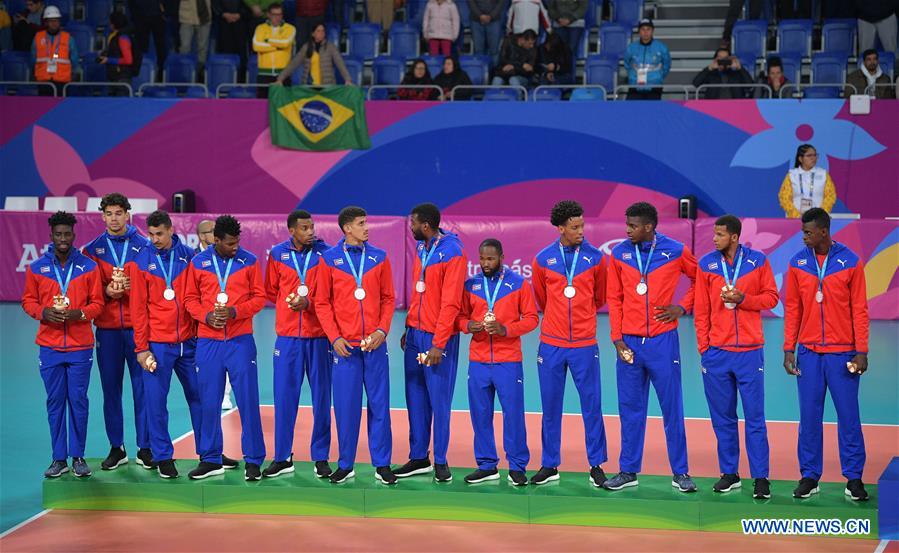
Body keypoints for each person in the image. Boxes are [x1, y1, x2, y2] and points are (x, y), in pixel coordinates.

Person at [603, 202, 698, 493]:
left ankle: (680, 472)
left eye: (632, 226)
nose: (627, 230)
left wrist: (682, 307)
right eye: (627, 225)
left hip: (662, 342)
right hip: (629, 343)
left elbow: (701, 280)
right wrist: (617, 339)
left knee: (672, 408)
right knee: (630, 409)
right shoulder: (619, 253)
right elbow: (614, 298)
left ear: (648, 227)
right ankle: (628, 470)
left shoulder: (676, 250)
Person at [783, 208, 869, 501]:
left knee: (849, 417)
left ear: (823, 232)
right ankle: (809, 476)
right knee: (809, 418)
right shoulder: (797, 263)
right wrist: (788, 349)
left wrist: (862, 351)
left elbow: (859, 309)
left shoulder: (850, 262)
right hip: (808, 354)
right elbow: (793, 310)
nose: (803, 236)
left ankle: (854, 478)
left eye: (808, 232)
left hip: (842, 354)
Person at [130, 210, 224, 479]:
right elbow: (138, 309)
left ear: (171, 230)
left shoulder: (190, 258)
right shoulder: (140, 262)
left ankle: (209, 455)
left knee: (202, 398)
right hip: (157, 345)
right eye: (151, 234)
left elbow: (198, 297)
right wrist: (141, 348)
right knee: (156, 402)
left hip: (190, 343)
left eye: (160, 233)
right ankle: (162, 457)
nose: (155, 239)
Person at [694, 215, 778, 500]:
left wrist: (745, 299)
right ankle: (729, 473)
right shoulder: (706, 264)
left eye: (719, 234)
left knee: (755, 418)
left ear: (733, 236)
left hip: (749, 352)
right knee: (723, 419)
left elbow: (771, 298)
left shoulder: (757, 261)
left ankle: (761, 477)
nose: (714, 238)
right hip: (717, 354)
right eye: (714, 234)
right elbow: (701, 309)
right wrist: (704, 349)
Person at [314, 206, 397, 485]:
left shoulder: (379, 257)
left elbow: (388, 299)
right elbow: (322, 302)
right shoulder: (329, 260)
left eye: (366, 222)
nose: (367, 227)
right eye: (361, 223)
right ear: (347, 228)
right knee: (346, 408)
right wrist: (334, 337)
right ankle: (346, 463)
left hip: (374, 347)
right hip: (345, 349)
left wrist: (382, 330)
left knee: (379, 406)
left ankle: (382, 464)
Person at [530, 201, 608, 486]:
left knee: (592, 405)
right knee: (550, 407)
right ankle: (549, 465)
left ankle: (596, 464)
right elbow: (541, 299)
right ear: (560, 228)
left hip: (585, 344)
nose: (581, 232)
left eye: (582, 226)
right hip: (551, 344)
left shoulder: (596, 259)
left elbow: (600, 298)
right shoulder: (543, 259)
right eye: (575, 227)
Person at [183, 215, 267, 481]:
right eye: (230, 243)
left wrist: (234, 311)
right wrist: (205, 316)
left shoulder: (249, 261)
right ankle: (210, 458)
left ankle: (253, 459)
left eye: (237, 242)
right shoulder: (198, 263)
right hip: (208, 341)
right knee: (208, 401)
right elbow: (189, 299)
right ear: (215, 240)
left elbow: (259, 298)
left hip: (240, 340)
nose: (235, 247)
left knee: (247, 401)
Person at [22, 211, 104, 478]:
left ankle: (78, 456)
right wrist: (44, 312)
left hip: (80, 346)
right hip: (50, 346)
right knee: (55, 401)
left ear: (74, 235)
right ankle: (59, 458)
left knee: (78, 400)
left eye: (67, 234)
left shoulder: (89, 267)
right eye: (58, 234)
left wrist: (78, 314)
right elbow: (28, 301)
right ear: (51, 236)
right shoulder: (37, 268)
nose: (63, 239)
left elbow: (98, 304)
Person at [82, 193, 153, 472]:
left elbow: (151, 284)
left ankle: (144, 448)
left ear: (128, 215)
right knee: (111, 391)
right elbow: (88, 290)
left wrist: (132, 290)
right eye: (109, 214)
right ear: (102, 216)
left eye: (118, 213)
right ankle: (117, 447)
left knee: (142, 391)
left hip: (138, 331)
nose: (113, 218)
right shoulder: (93, 249)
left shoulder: (144, 246)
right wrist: (106, 292)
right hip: (108, 331)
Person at [458, 239, 537, 486]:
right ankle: (486, 465)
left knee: (513, 415)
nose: (485, 263)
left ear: (502, 257)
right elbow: (459, 317)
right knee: (480, 415)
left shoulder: (518, 284)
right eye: (481, 258)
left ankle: (516, 466)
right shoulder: (470, 285)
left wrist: (505, 329)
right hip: (478, 360)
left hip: (508, 360)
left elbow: (532, 318)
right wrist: (467, 325)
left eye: (490, 259)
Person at [395, 203, 465, 483]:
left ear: (424, 225)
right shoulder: (423, 247)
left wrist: (439, 342)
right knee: (415, 397)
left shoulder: (453, 251)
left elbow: (450, 302)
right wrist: (409, 326)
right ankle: (419, 457)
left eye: (412, 222)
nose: (409, 227)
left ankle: (441, 460)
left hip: (438, 337)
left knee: (439, 399)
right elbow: (419, 293)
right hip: (416, 333)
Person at [262, 210, 334, 479]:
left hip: (319, 337)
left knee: (321, 400)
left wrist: (310, 304)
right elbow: (271, 290)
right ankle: (282, 457)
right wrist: (289, 303)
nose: (310, 232)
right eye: (304, 228)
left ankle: (321, 457)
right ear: (292, 230)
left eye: (312, 227)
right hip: (288, 338)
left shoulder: (326, 254)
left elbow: (333, 294)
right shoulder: (278, 255)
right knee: (284, 399)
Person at [195, 219, 234, 410]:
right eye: (211, 231)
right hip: (198, 320)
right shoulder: (192, 258)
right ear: (202, 236)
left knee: (224, 358)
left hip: (222, 320)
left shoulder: (227, 256)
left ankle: (225, 395)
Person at [276, 22, 352, 86]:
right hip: (309, 86)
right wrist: (280, 78)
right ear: (313, 34)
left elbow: (340, 63)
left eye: (323, 31)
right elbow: (294, 63)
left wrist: (347, 79)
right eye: (318, 31)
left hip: (327, 87)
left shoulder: (331, 47)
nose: (321, 33)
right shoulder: (306, 47)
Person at [778, 144, 837, 219]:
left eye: (815, 155)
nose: (813, 158)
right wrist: (796, 215)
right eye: (809, 155)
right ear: (800, 159)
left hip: (818, 221)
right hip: (795, 220)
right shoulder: (792, 175)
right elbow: (784, 197)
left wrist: (820, 214)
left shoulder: (823, 174)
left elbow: (830, 196)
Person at [31, 6, 79, 95]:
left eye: (56, 20)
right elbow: (33, 59)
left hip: (62, 82)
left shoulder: (68, 38)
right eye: (51, 21)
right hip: (43, 81)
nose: (54, 23)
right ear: (46, 22)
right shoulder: (38, 37)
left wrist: (73, 74)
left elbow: (74, 60)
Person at [253, 3, 295, 97]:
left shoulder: (290, 28)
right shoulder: (260, 28)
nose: (277, 17)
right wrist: (277, 46)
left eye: (279, 15)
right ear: (268, 15)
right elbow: (256, 46)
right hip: (264, 73)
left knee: (284, 107)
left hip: (283, 74)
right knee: (262, 105)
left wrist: (267, 40)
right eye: (274, 15)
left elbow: (285, 43)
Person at [623, 18, 669, 100]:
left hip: (654, 87)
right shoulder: (631, 48)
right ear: (639, 31)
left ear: (652, 31)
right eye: (643, 29)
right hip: (634, 86)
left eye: (648, 29)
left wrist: (658, 77)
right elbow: (626, 64)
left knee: (652, 112)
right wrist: (632, 76)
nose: (645, 32)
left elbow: (666, 66)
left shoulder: (661, 47)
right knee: (631, 112)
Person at [213, 0, 250, 83]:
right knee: (225, 52)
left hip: (241, 25)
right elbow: (215, 5)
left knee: (241, 54)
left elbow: (248, 5)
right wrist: (223, 14)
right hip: (224, 26)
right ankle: (225, 79)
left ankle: (241, 80)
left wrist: (240, 15)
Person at [129, 0, 167, 77]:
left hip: (157, 16)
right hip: (140, 17)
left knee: (160, 46)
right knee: (141, 47)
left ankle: (162, 72)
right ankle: (141, 71)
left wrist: (164, 12)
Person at [99, 12, 134, 91]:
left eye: (111, 22)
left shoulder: (123, 38)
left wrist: (108, 60)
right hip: (113, 75)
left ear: (114, 24)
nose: (110, 24)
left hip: (122, 78)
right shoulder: (114, 35)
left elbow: (128, 60)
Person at [178, 0, 213, 71]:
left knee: (203, 47)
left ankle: (201, 71)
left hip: (205, 17)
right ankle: (184, 70)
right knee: (185, 46)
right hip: (187, 18)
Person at [468, 0, 504, 66]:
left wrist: (491, 16)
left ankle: (494, 73)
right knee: (478, 51)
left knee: (494, 51)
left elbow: (501, 2)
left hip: (494, 20)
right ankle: (480, 74)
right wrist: (480, 15)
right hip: (476, 20)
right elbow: (471, 2)